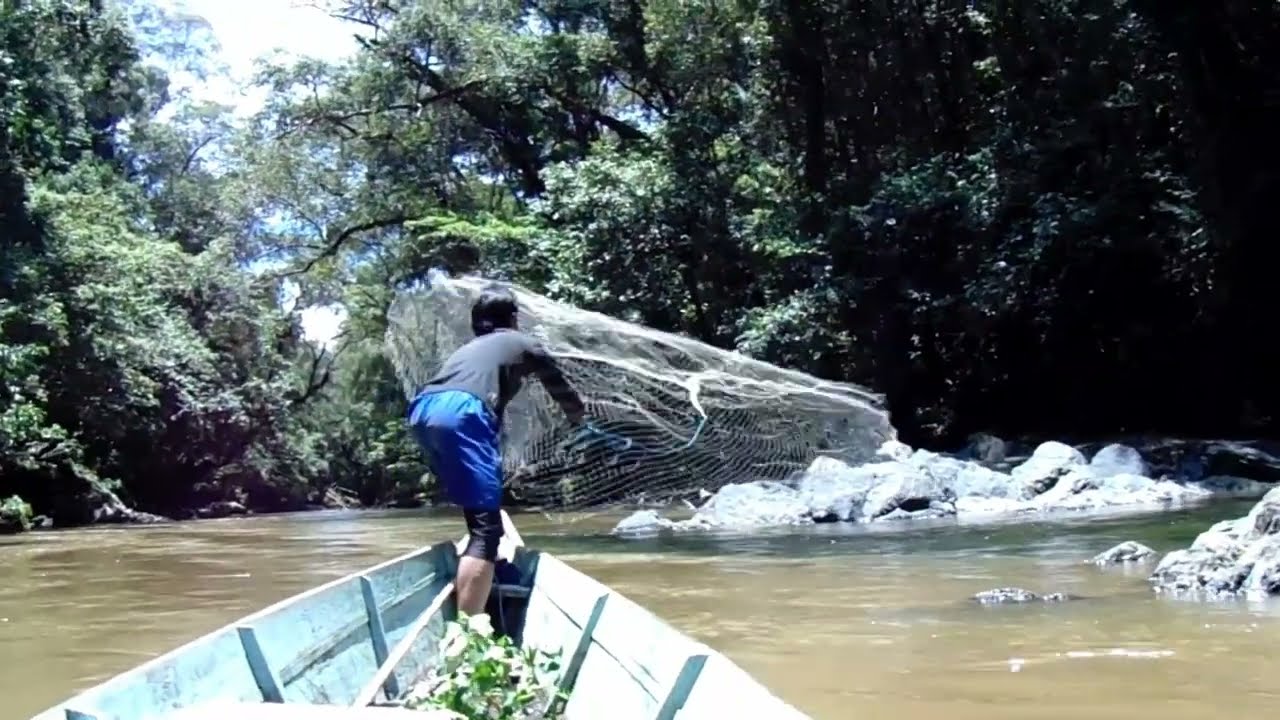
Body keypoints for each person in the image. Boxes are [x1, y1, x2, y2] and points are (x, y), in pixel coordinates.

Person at [406, 282, 587, 617]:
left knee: (480, 507)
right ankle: (468, 632)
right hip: (462, 412)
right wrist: (581, 419)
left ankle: (491, 568)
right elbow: (562, 391)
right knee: (486, 531)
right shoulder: (523, 343)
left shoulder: (470, 350)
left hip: (423, 410)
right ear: (514, 318)